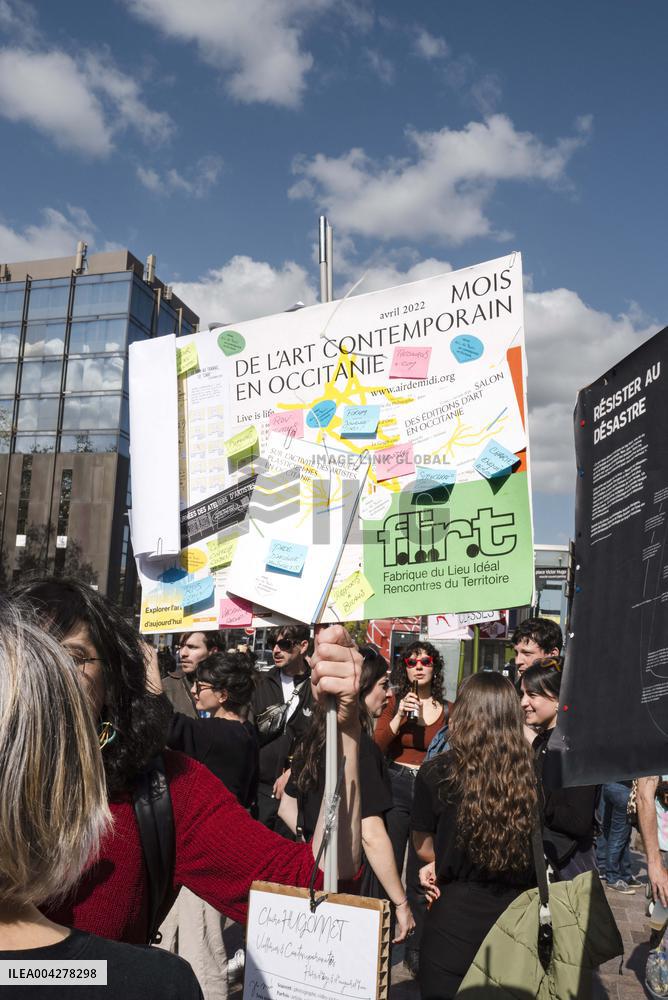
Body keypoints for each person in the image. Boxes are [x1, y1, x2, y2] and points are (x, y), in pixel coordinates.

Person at [11, 578, 362, 949]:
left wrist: (346, 728)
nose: (46, 674)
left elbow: (318, 887)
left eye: (72, 657)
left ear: (111, 679)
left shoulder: (164, 790)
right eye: (27, 654)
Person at [0, 596, 203, 999]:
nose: (58, 678)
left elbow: (309, 884)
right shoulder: (154, 983)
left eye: (73, 657)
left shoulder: (170, 783)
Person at [411, 672, 537, 999]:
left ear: (463, 713)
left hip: (452, 920)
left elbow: (423, 846)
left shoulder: (437, 771)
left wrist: (437, 860)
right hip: (517, 922)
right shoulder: (532, 773)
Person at [279, 646, 416, 943]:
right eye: (383, 685)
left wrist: (316, 845)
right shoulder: (361, 748)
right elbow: (371, 834)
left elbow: (287, 806)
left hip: (316, 876)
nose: (389, 695)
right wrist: (401, 903)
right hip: (356, 884)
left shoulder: (314, 738)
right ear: (362, 689)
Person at [374, 639, 450, 977]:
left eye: (425, 661)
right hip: (397, 782)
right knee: (388, 862)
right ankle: (385, 939)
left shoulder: (448, 708)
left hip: (428, 787)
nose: (418, 666)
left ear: (435, 668)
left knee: (421, 869)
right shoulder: (394, 702)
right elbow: (378, 743)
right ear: (404, 669)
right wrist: (399, 717)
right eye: (411, 662)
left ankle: (417, 947)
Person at [520, 657, 599, 879]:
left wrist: (532, 801)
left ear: (557, 699)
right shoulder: (548, 740)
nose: (523, 702)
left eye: (532, 695)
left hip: (566, 868)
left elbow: (578, 821)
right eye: (523, 694)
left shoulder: (575, 747)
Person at [167, 651, 259, 809]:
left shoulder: (218, 733)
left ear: (223, 695)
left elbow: (167, 724)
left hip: (213, 824)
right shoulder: (247, 729)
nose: (193, 690)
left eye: (200, 686)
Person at [250, 624, 314, 831]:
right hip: (260, 790)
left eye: (285, 644)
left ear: (303, 646)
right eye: (273, 644)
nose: (276, 650)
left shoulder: (317, 686)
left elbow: (320, 737)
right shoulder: (260, 683)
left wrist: (294, 771)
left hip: (299, 791)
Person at [596, 780, 642, 893]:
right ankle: (613, 877)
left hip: (608, 785)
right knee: (619, 836)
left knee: (614, 833)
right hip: (624, 789)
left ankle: (624, 874)